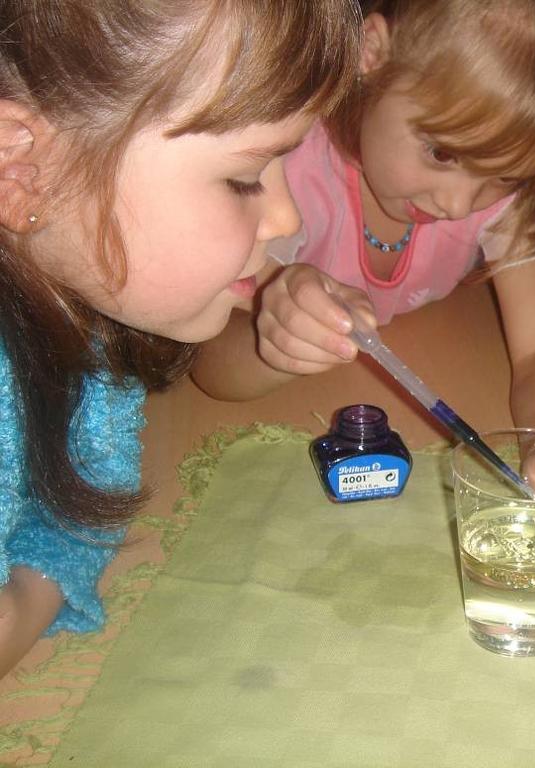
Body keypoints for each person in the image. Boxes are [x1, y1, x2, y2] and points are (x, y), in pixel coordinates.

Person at [191, 0, 535, 550]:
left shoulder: (501, 186)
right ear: (372, 53)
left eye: (504, 175)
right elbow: (209, 368)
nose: (458, 203)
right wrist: (275, 336)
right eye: (441, 152)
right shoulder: (286, 171)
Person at [0, 0, 361, 678]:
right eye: (245, 177)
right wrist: (33, 593)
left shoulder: (82, 316)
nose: (287, 216)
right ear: (22, 165)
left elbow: (86, 502)